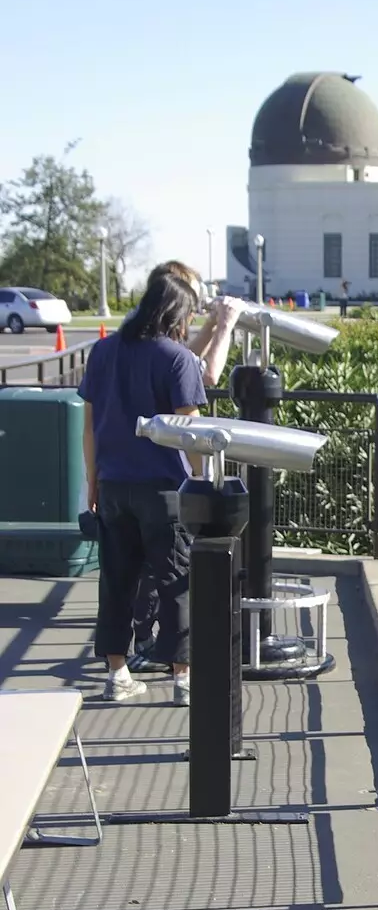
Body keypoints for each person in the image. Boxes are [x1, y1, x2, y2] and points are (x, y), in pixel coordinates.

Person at [79, 271, 207, 705]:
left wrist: (92, 484)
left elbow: (90, 428)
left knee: (116, 581)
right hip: (164, 488)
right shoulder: (177, 358)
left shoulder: (102, 351)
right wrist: (204, 483)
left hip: (113, 484)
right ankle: (183, 679)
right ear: (176, 312)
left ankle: (117, 674)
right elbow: (188, 432)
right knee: (175, 581)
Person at [127, 264, 244, 671]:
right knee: (170, 572)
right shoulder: (159, 346)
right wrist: (224, 326)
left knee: (140, 567)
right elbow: (203, 374)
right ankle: (177, 668)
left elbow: (185, 359)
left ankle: (138, 650)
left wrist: (213, 324)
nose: (193, 316)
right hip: (159, 471)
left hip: (122, 472)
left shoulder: (133, 335)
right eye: (192, 306)